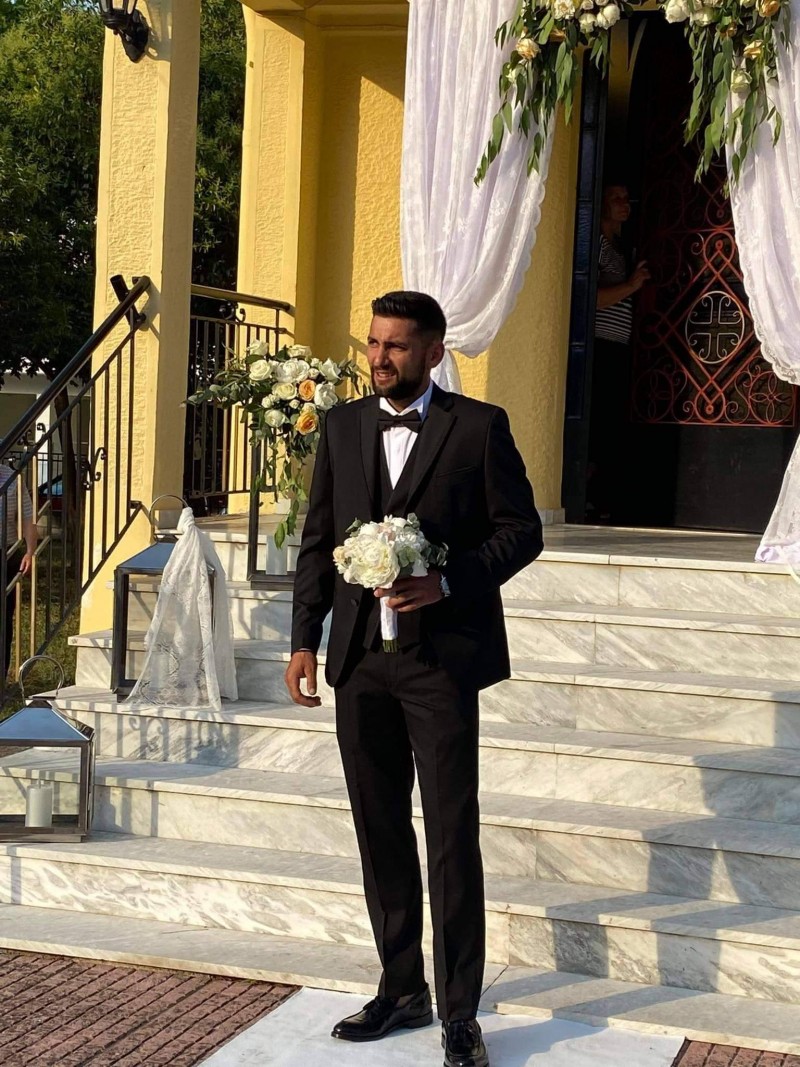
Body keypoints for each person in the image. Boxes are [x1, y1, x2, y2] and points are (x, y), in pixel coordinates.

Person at [285, 291, 543, 1067]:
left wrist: (449, 581)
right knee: (380, 826)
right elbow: (318, 538)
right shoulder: (342, 426)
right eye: (373, 342)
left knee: (451, 833)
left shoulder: (479, 428)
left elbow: (522, 530)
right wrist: (303, 639)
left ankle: (460, 1013)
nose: (379, 357)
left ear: (433, 352)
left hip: (440, 662)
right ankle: (401, 988)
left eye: (396, 345)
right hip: (359, 660)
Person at [588, 183, 650, 522]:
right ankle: (591, 498)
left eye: (627, 199)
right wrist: (631, 285)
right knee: (598, 424)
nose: (624, 204)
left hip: (619, 346)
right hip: (599, 344)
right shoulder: (596, 244)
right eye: (616, 199)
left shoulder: (621, 248)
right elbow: (591, 299)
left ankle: (604, 499)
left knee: (612, 424)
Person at [0, 463, 36, 675]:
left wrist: (30, 551)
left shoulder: (13, 479)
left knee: (3, 617)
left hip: (6, 554)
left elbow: (27, 517)